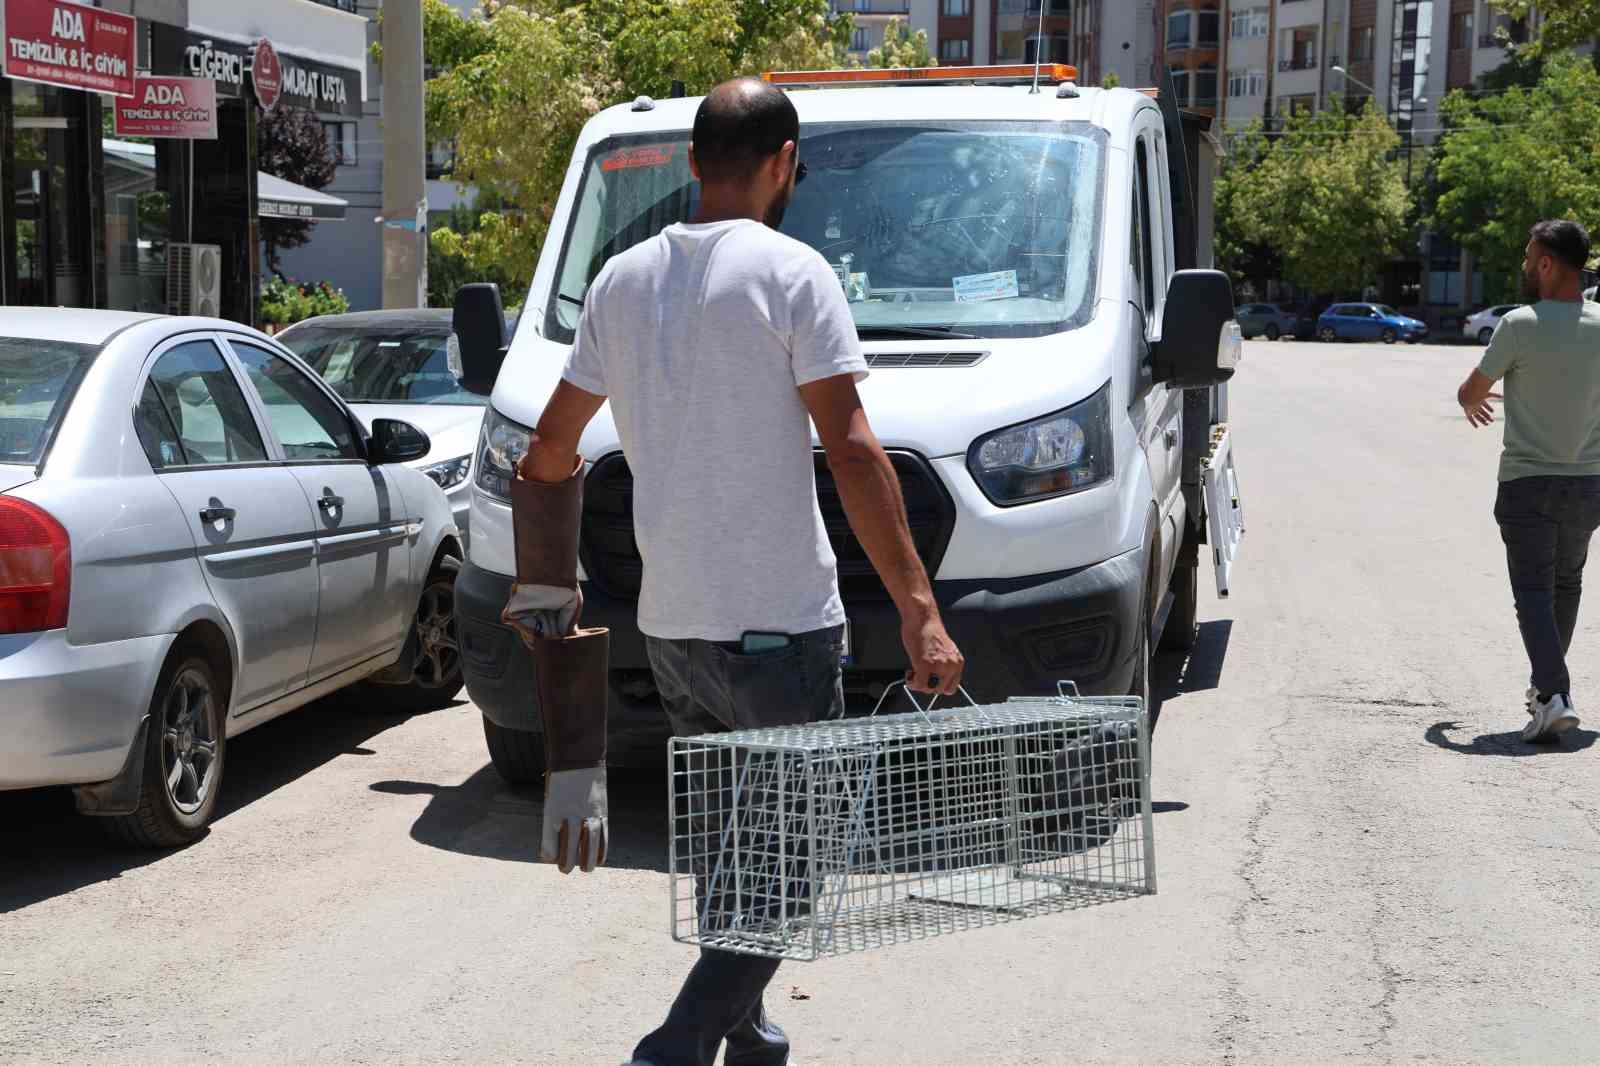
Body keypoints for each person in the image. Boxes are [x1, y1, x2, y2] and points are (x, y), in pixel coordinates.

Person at [515, 76, 965, 1066]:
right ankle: (672, 1046)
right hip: (779, 626)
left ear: (690, 164)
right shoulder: (794, 272)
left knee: (734, 845)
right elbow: (852, 449)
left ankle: (748, 1034)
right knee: (791, 863)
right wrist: (919, 610)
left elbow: (546, 455)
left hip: (675, 627)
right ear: (785, 163)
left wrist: (544, 585)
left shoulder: (621, 280)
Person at [1457, 219, 1600, 742]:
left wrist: (1477, 401)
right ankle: (1547, 696)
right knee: (1566, 584)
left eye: (1527, 256)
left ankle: (1555, 691)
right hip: (1589, 484)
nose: (1523, 265)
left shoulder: (1519, 324)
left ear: (1546, 263)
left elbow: (1470, 392)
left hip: (1527, 484)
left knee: (1535, 592)